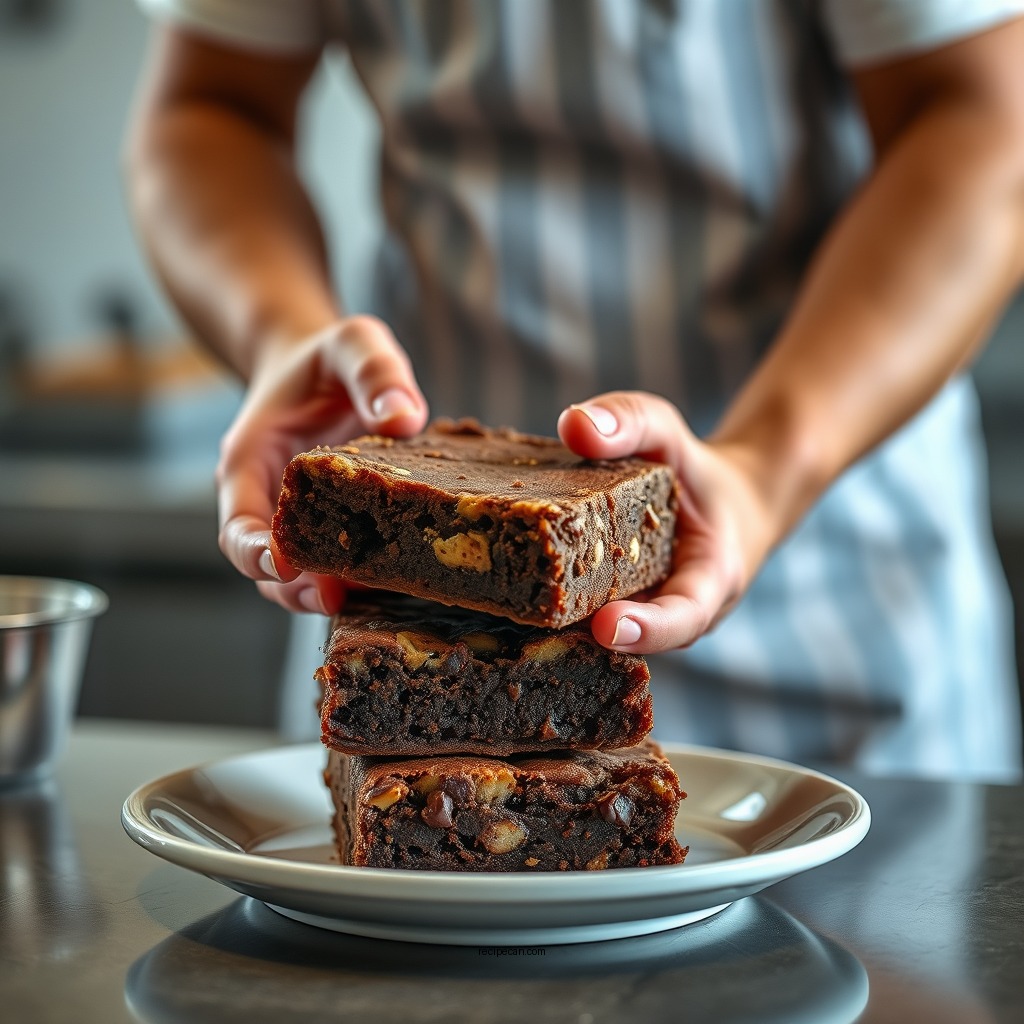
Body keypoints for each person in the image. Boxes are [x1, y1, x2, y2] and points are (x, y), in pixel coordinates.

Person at [127, 0, 1024, 780]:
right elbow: (211, 107)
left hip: (832, 589)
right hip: (407, 624)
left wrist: (761, 467)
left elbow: (986, 120)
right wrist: (283, 334)